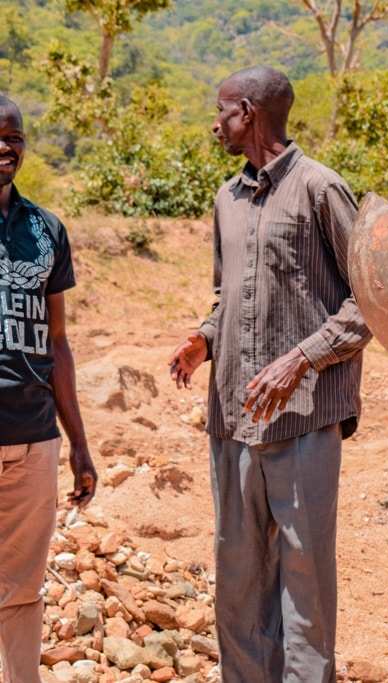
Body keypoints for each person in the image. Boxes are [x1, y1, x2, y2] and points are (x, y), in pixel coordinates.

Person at [167, 66, 371, 683]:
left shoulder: (321, 188)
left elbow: (370, 302)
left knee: (304, 585)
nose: (215, 121)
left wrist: (301, 358)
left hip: (305, 418)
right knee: (237, 579)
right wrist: (203, 339)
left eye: (223, 110)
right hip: (232, 415)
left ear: (249, 112)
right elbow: (225, 295)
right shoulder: (226, 198)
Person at [0, 94, 97, 682]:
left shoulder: (45, 228)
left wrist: (78, 444)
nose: (3, 148)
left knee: (21, 590)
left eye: (13, 137)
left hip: (34, 441)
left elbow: (57, 343)